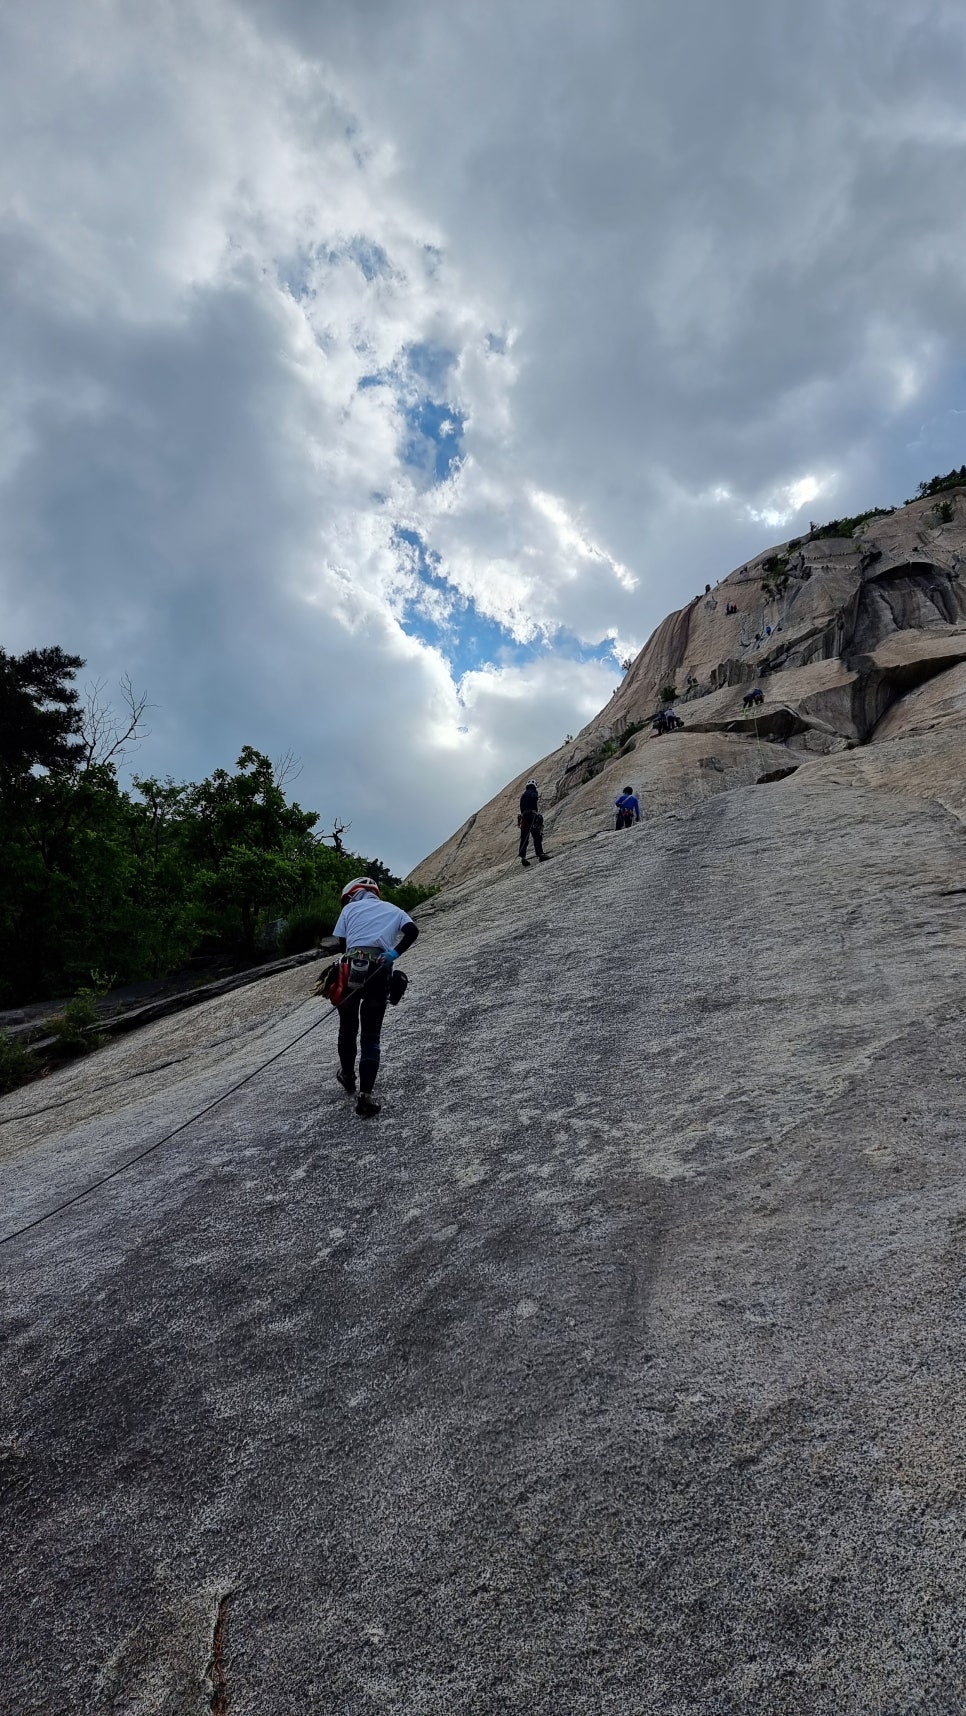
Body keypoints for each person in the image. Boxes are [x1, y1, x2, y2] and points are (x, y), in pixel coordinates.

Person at [332, 877, 419, 1117]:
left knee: (348, 1027)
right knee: (371, 1035)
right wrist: (393, 953)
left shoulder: (349, 909)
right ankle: (365, 1097)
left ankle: (348, 1076)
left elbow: (342, 945)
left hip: (350, 967)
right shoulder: (394, 910)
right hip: (379, 968)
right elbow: (413, 931)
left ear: (351, 895)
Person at [518, 780, 549, 867]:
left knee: (524, 838)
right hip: (531, 816)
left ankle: (523, 857)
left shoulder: (523, 795)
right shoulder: (533, 792)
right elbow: (534, 801)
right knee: (537, 836)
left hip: (524, 817)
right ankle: (540, 854)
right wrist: (536, 813)